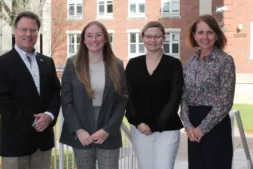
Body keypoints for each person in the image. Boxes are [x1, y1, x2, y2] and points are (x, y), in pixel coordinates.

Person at [0, 11, 61, 169]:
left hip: (43, 142)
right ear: (15, 31)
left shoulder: (47, 62)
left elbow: (56, 93)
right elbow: (2, 102)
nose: (28, 34)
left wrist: (49, 116)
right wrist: (33, 120)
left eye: (33, 30)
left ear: (37, 33)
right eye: (23, 29)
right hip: (16, 143)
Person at [59, 20, 128, 169]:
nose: (94, 40)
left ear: (105, 39)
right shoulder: (72, 64)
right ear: (83, 40)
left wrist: (107, 130)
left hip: (108, 125)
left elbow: (122, 101)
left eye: (98, 35)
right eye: (89, 36)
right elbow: (66, 100)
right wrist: (79, 130)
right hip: (81, 124)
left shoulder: (117, 65)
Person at [125, 21, 184, 169]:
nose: (153, 40)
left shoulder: (174, 64)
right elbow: (127, 95)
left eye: (157, 36)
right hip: (140, 129)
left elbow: (174, 97)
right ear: (143, 38)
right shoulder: (133, 64)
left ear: (163, 38)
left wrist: (156, 124)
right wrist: (138, 122)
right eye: (149, 36)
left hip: (167, 129)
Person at [180, 14, 236, 169]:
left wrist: (201, 129)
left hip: (215, 126)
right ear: (194, 35)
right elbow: (183, 97)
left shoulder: (225, 61)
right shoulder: (190, 63)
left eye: (210, 32)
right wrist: (188, 125)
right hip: (193, 127)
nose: (205, 37)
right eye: (200, 32)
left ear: (216, 35)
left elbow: (225, 101)